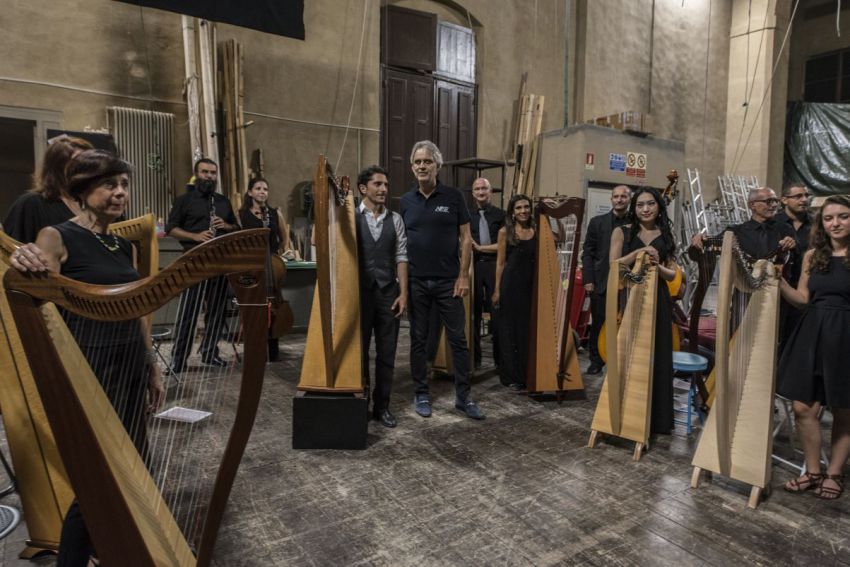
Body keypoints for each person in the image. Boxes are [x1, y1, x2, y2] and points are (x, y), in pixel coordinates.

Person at [10, 149, 165, 566]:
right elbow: (32, 293)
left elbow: (136, 310)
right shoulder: (56, 236)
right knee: (100, 478)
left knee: (136, 466)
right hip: (90, 369)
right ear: (82, 190)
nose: (120, 193)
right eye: (109, 184)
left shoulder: (122, 246)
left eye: (124, 185)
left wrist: (151, 364)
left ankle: (117, 547)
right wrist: (22, 257)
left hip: (130, 364)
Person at [399, 140, 483, 420]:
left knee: (458, 340)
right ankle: (421, 394)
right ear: (412, 167)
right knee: (418, 340)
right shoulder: (406, 201)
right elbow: (402, 245)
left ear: (438, 165)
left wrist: (463, 276)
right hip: (417, 282)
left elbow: (466, 238)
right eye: (418, 162)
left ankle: (463, 397)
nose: (422, 166)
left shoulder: (453, 197)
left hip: (449, 282)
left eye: (427, 161)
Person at [777, 195, 850, 500]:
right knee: (802, 407)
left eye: (843, 216)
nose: (836, 223)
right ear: (822, 223)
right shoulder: (812, 256)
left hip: (845, 334)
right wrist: (779, 282)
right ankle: (812, 471)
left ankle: (834, 473)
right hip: (813, 332)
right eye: (829, 218)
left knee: (844, 408)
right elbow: (803, 299)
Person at [609, 187, 679, 435]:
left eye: (650, 204)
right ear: (634, 208)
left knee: (658, 356)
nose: (645, 209)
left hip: (659, 299)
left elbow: (672, 274)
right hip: (631, 297)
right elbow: (614, 265)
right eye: (640, 205)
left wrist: (658, 266)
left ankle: (657, 420)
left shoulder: (666, 234)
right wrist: (639, 253)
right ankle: (627, 415)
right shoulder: (622, 232)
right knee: (628, 356)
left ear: (659, 207)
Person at [165, 158, 239, 374]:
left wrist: (226, 225)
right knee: (188, 312)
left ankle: (209, 353)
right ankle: (178, 359)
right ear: (196, 174)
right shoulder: (184, 200)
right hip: (193, 262)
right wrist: (195, 236)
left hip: (218, 261)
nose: (209, 176)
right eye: (205, 172)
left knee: (216, 311)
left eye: (213, 173)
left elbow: (236, 227)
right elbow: (171, 228)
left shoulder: (223, 201)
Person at [355, 165, 408, 428]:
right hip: (360, 295)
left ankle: (382, 406)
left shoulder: (395, 219)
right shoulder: (351, 217)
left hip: (389, 293)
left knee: (387, 353)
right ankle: (361, 403)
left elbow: (401, 256)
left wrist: (404, 293)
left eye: (386, 184)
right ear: (363, 188)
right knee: (360, 352)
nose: (384, 189)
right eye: (378, 184)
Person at [239, 176, 293, 361]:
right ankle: (255, 351)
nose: (262, 192)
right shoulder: (242, 214)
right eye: (258, 188)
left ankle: (273, 349)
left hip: (271, 262)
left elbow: (284, 237)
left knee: (273, 306)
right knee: (254, 310)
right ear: (250, 192)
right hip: (252, 265)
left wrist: (277, 254)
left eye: (265, 189)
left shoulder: (275, 213)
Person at [3, 135, 94, 243]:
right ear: (57, 168)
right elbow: (11, 248)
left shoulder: (96, 204)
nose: (87, 168)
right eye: (78, 163)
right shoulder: (32, 203)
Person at [581, 185, 630, 375]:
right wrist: (588, 279)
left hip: (627, 283)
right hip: (601, 283)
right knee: (599, 323)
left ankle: (621, 361)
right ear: (611, 199)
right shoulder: (597, 222)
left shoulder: (635, 223)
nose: (619, 199)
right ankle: (596, 360)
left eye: (623, 196)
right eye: (616, 196)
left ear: (629, 199)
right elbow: (588, 253)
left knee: (625, 323)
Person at [492, 194, 536, 391]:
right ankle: (512, 375)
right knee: (510, 330)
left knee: (525, 330)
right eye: (518, 208)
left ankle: (527, 373)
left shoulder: (537, 230)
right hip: (510, 285)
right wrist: (497, 290)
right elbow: (500, 263)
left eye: (526, 207)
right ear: (512, 212)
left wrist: (552, 218)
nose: (523, 211)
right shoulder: (505, 232)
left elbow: (560, 237)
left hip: (530, 286)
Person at [691, 186, 796, 260]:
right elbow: (708, 246)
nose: (774, 205)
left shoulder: (785, 229)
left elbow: (797, 255)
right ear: (752, 205)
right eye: (769, 201)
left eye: (776, 201)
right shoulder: (735, 232)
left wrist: (791, 244)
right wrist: (699, 239)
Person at [469, 177, 504, 369]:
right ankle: (475, 359)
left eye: (484, 188)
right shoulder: (467, 215)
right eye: (477, 189)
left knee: (497, 314)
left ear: (490, 191)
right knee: (473, 315)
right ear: (473, 193)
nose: (481, 192)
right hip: (473, 267)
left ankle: (500, 361)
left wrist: (481, 248)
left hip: (494, 266)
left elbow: (504, 245)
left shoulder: (501, 215)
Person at [776, 182, 812, 354]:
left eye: (806, 196)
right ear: (784, 200)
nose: (804, 199)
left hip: (807, 291)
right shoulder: (773, 222)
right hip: (778, 290)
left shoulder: (817, 224)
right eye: (798, 196)